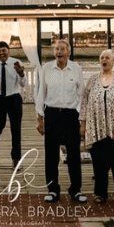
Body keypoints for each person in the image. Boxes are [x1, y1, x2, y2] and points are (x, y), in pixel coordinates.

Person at [35, 38, 87, 204]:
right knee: (51, 156)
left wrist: (82, 119)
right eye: (56, 49)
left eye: (62, 49)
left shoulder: (76, 68)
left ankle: (76, 190)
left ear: (68, 52)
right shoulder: (47, 68)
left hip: (71, 115)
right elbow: (41, 93)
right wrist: (40, 118)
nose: (59, 52)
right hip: (52, 114)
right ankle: (52, 190)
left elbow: (81, 94)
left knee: (73, 155)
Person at [81, 49, 114, 203]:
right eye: (102, 57)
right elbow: (84, 102)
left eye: (107, 58)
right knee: (99, 162)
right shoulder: (92, 80)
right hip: (96, 127)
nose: (104, 60)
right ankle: (100, 193)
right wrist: (83, 124)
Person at [0, 41, 25, 168]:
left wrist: (21, 74)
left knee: (16, 129)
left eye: (4, 50)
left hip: (14, 98)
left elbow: (24, 84)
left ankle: (16, 159)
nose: (2, 53)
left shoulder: (16, 62)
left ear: (9, 51)